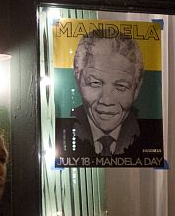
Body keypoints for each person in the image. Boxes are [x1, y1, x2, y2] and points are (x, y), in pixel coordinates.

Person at [56, 29, 161, 160]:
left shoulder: (150, 135)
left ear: (137, 88)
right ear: (78, 79)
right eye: (95, 83)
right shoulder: (60, 131)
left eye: (121, 86)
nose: (106, 100)